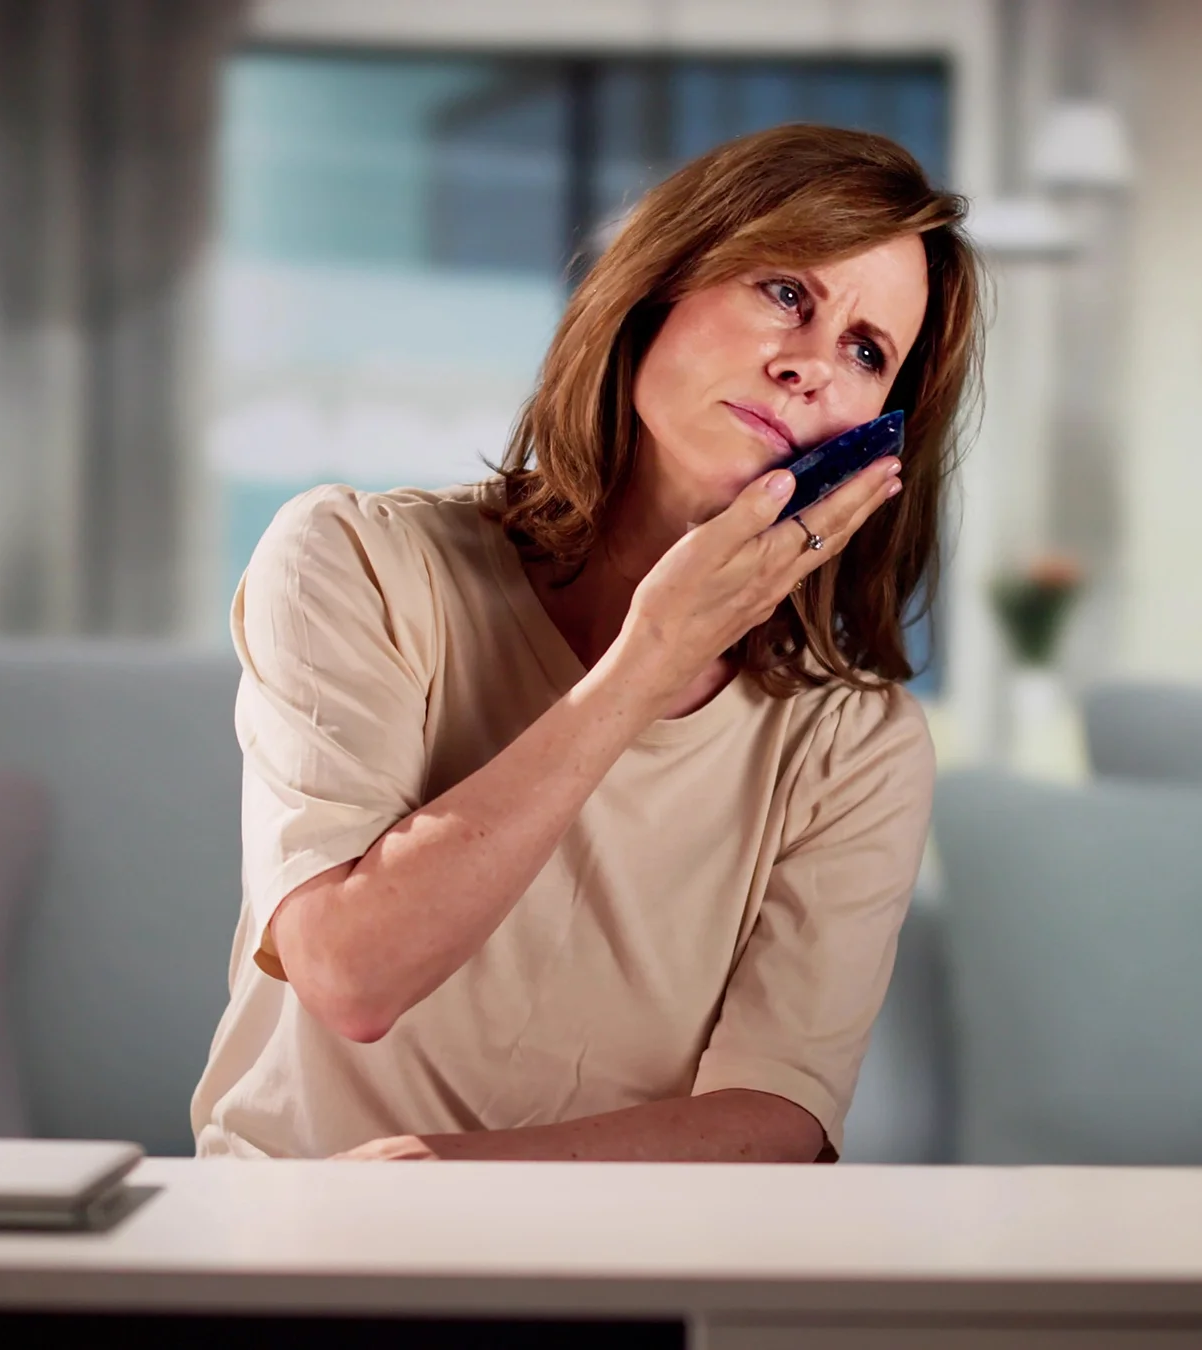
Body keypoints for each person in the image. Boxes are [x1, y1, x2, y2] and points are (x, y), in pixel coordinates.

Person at [191, 124, 983, 1162]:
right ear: (659, 284)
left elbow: (777, 1118)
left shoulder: (858, 744)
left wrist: (458, 1182)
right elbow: (350, 974)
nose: (807, 366)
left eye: (867, 351)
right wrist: (647, 662)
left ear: (884, 432)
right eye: (786, 292)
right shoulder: (355, 561)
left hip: (610, 1277)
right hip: (286, 1267)